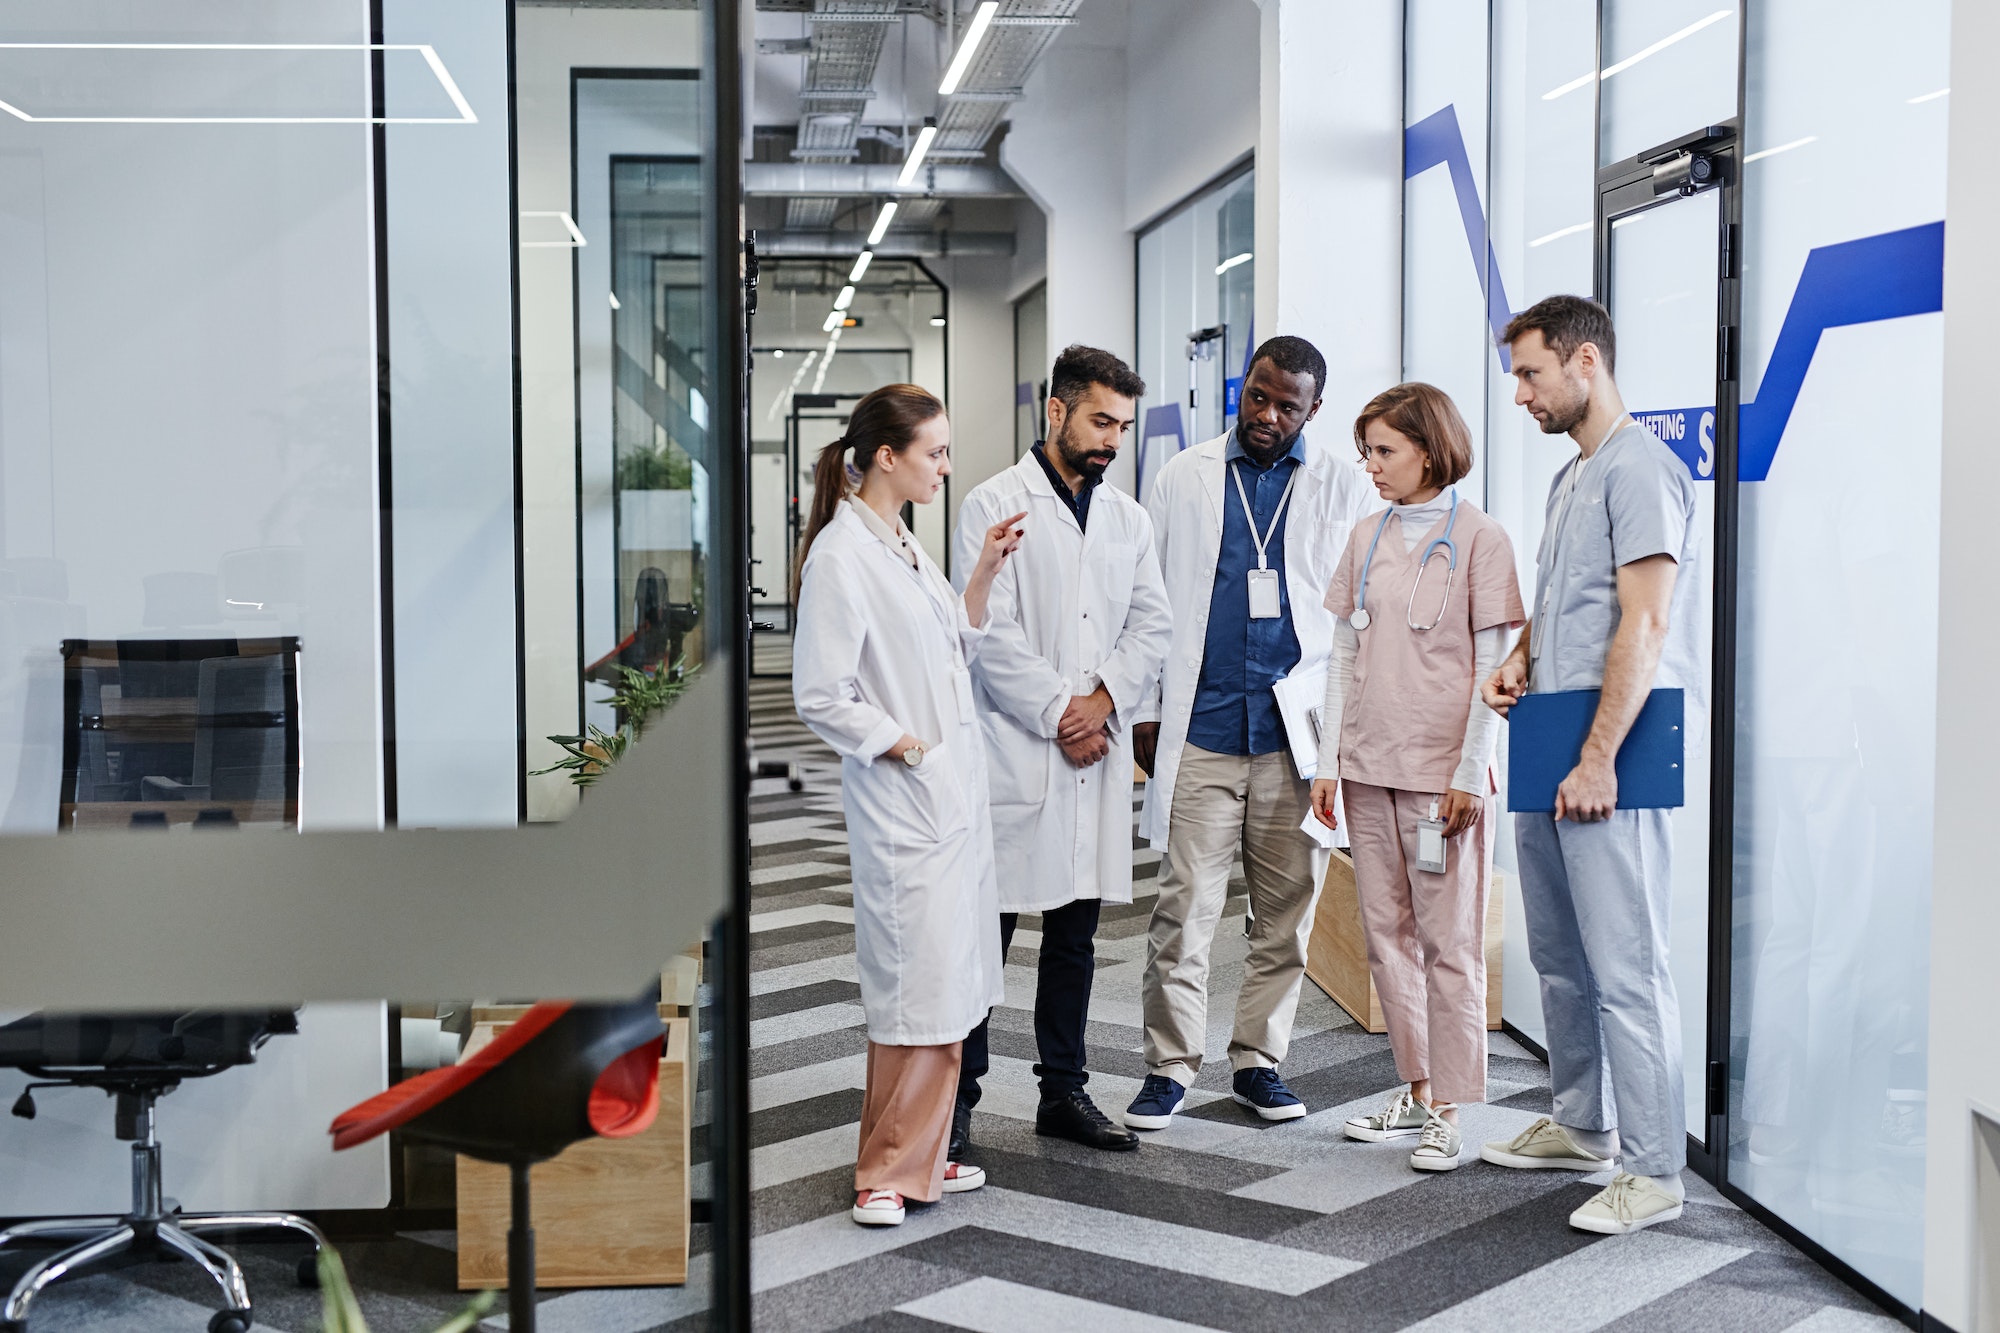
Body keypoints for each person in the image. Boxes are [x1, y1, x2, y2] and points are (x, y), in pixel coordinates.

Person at [1478, 295, 1703, 1234]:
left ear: (1584, 363)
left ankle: (1654, 1169)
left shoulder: (1641, 469)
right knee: (1558, 954)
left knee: (1628, 961)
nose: (1520, 394)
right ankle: (1583, 1123)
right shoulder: (1572, 479)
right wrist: (1521, 654)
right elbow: (1562, 599)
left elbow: (1646, 621)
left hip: (1611, 746)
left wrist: (1601, 757)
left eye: (1530, 374)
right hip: (1548, 731)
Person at [1125, 335, 1377, 1130]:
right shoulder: (1184, 475)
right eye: (1258, 396)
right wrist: (1145, 708)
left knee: (1285, 910)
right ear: (1244, 387)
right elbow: (1153, 599)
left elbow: (1354, 621)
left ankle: (1258, 1061)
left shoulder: (1342, 486)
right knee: (1183, 910)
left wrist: (1344, 739)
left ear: (1314, 410)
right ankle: (1169, 1066)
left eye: (1287, 406)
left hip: (1291, 739)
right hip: (1200, 726)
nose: (1268, 415)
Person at [790, 383, 1027, 1227]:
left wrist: (984, 574)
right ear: (887, 456)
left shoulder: (898, 540)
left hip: (947, 801)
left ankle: (929, 1150)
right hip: (906, 800)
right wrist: (903, 744)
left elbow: (949, 642)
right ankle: (883, 1170)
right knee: (914, 988)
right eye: (935, 452)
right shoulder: (841, 554)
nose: (946, 467)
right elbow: (819, 691)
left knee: (952, 983)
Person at [950, 346, 1172, 1156]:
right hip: (1019, 748)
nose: (1112, 439)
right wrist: (1060, 713)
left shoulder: (1129, 519)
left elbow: (1154, 624)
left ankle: (1063, 1091)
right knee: (990, 931)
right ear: (1057, 411)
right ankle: (961, 1096)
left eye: (1122, 424)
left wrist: (1103, 699)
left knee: (1075, 934)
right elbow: (988, 634)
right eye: (1100, 420)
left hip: (1095, 749)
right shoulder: (992, 503)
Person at [1308, 383, 1524, 1172]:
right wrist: (1329, 760)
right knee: (1386, 939)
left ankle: (1454, 1107)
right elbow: (1343, 655)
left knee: (1450, 942)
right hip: (1369, 768)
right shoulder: (1366, 536)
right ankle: (1420, 1084)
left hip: (1443, 781)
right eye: (1366, 450)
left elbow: (1498, 666)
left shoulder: (1482, 539)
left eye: (1384, 451)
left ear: (1428, 451)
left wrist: (1472, 767)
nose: (1370, 465)